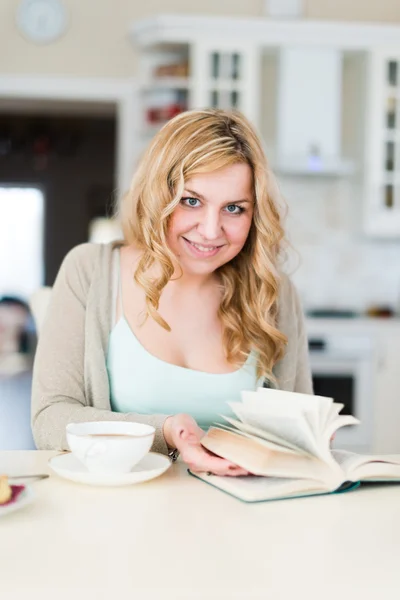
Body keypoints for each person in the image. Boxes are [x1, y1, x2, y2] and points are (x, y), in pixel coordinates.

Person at [31, 109, 312, 476]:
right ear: (156, 196)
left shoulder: (273, 293)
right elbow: (51, 417)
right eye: (191, 201)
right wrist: (165, 432)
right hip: (118, 515)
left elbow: (297, 428)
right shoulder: (90, 271)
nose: (211, 231)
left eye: (233, 208)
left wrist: (307, 440)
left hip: (242, 516)